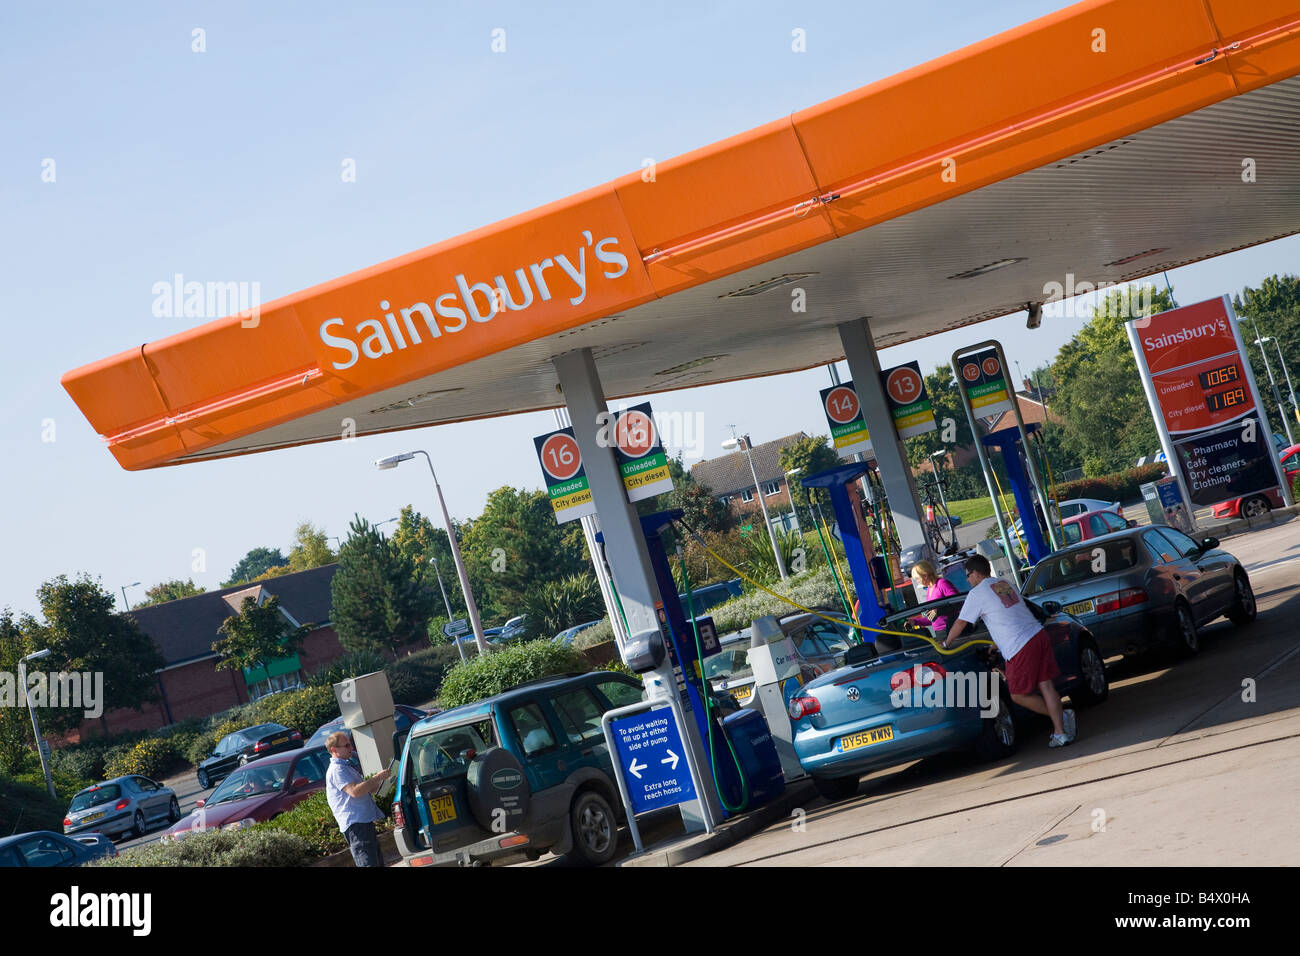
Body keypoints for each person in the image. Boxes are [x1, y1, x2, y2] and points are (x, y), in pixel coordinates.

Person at [942, 554, 1076, 748]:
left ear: (977, 573)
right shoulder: (1004, 584)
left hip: (1020, 645)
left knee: (1017, 694)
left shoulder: (977, 593)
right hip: (1038, 636)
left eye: (968, 575)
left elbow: (962, 622)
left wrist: (945, 644)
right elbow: (1009, 616)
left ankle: (1062, 717)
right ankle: (1060, 732)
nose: (967, 579)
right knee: (1046, 685)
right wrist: (996, 646)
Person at [325, 731, 391, 867]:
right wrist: (377, 777)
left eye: (350, 745)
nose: (351, 748)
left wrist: (388, 782)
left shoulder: (345, 767)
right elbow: (355, 791)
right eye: (347, 745)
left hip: (362, 822)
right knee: (368, 863)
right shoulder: (337, 770)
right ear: (334, 750)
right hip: (356, 824)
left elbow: (368, 790)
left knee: (375, 862)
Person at [908, 560, 959, 633]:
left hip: (951, 628)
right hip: (939, 631)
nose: (917, 581)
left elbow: (958, 602)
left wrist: (938, 611)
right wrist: (914, 622)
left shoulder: (942, 583)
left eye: (917, 578)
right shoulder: (929, 589)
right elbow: (932, 618)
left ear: (925, 575)